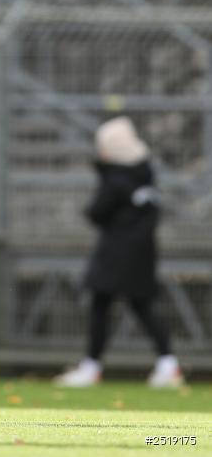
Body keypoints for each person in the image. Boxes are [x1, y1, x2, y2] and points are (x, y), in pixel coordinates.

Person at [55, 116, 183, 388]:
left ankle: (92, 367)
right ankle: (167, 364)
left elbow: (97, 212)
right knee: (141, 305)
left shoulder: (116, 179)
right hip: (142, 251)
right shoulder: (145, 175)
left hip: (116, 252)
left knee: (103, 304)